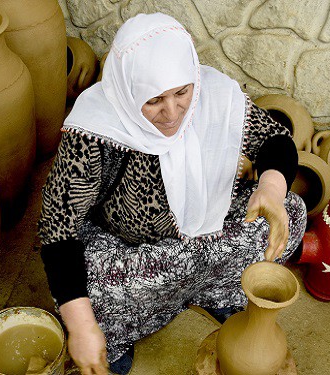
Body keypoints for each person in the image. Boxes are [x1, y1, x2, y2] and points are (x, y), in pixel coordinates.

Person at [38, 13, 306, 375]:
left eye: (182, 92)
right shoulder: (94, 130)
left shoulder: (214, 95)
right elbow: (57, 227)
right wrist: (82, 326)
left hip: (203, 232)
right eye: (154, 101)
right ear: (128, 92)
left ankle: (215, 292)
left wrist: (271, 188)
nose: (172, 112)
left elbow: (276, 140)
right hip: (129, 248)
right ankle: (111, 337)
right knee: (90, 289)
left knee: (290, 211)